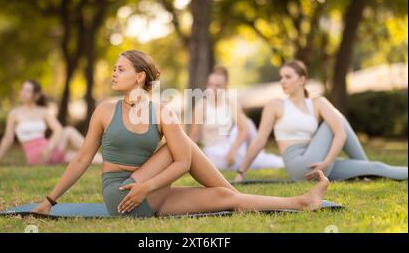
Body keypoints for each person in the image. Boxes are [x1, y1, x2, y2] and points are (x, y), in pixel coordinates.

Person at [32, 50, 329, 218]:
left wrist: (147, 187)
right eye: (113, 68)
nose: (113, 73)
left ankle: (301, 202)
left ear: (139, 77)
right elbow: (83, 158)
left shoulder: (162, 111)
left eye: (120, 69)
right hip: (120, 195)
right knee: (183, 144)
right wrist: (50, 200)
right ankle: (248, 197)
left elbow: (182, 164)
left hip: (149, 194)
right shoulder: (104, 110)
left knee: (224, 197)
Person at [235, 60, 408, 182]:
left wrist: (327, 162)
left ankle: (366, 169)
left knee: (376, 168)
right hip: (301, 166)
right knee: (337, 118)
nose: (282, 81)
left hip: (319, 163)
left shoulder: (316, 103)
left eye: (288, 77)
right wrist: (241, 172)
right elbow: (259, 140)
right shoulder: (275, 105)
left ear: (302, 80)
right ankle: (363, 166)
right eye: (281, 77)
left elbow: (340, 133)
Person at [189, 66, 284, 171]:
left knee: (247, 122)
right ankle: (253, 158)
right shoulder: (201, 106)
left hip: (231, 146)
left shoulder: (230, 102)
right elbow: (194, 136)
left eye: (218, 86)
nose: (213, 89)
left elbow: (245, 128)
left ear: (225, 86)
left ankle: (256, 155)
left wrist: (232, 151)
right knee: (241, 162)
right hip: (213, 150)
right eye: (210, 84)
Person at [0, 80, 103, 166]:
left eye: (28, 90)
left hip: (49, 149)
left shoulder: (43, 111)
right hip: (36, 156)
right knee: (68, 131)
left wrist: (49, 147)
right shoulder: (14, 113)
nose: (24, 93)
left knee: (91, 158)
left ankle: (113, 162)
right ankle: (98, 153)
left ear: (36, 95)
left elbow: (58, 129)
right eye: (22, 89)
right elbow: (7, 139)